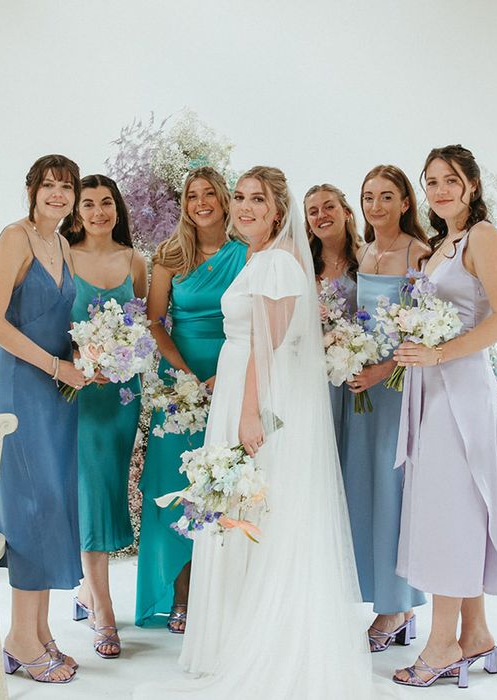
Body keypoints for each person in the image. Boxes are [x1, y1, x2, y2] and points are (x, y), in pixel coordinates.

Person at [136, 167, 392, 699]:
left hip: (256, 398)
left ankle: (262, 639)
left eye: (258, 199)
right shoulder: (258, 258)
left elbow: (268, 349)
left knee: (256, 513)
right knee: (243, 511)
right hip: (238, 390)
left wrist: (249, 415)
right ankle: (234, 634)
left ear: (279, 210)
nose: (245, 207)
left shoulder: (275, 262)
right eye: (241, 197)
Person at [392, 145, 497, 687]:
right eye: (431, 182)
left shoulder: (483, 237)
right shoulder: (443, 246)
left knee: (450, 514)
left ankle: (441, 644)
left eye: (450, 180)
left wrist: (440, 353)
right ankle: (475, 634)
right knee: (453, 508)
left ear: (471, 184)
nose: (440, 190)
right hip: (434, 388)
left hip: (462, 390)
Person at [0, 154, 85, 684]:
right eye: (49, 186)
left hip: (58, 393)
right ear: (31, 190)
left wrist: (91, 357)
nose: (58, 195)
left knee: (51, 503)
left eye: (66, 187)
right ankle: (19, 639)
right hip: (22, 390)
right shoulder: (14, 238)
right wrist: (54, 366)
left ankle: (39, 632)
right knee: (29, 506)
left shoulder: (63, 245)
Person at [135, 167, 247, 632]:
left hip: (234, 375)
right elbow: (156, 321)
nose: (200, 203)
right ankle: (180, 595)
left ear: (224, 200)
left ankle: (224, 598)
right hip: (178, 382)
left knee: (229, 483)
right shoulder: (169, 256)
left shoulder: (248, 254)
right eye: (191, 196)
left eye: (209, 194)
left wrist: (229, 375)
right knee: (175, 487)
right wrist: (183, 376)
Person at [61, 174, 148, 659]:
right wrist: (77, 360)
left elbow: (144, 324)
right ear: (77, 213)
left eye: (106, 203)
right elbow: (52, 325)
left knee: (110, 489)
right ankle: (104, 613)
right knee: (91, 493)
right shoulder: (63, 257)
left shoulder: (135, 260)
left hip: (121, 397)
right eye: (89, 204)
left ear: (118, 208)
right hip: (79, 394)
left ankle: (83, 592)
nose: (98, 212)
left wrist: (122, 355)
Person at [345, 165, 430, 652]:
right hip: (362, 387)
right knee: (368, 488)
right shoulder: (364, 251)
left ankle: (396, 608)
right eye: (368, 196)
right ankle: (388, 601)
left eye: (386, 197)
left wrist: (380, 371)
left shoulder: (418, 252)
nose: (376, 206)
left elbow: (423, 328)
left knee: (392, 486)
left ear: (404, 203)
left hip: (397, 384)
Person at [303, 183, 359, 438]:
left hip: (359, 374)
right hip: (315, 377)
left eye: (329, 207)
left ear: (346, 212)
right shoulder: (302, 267)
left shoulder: (367, 256)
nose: (321, 215)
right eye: (313, 211)